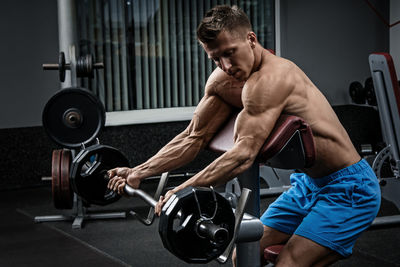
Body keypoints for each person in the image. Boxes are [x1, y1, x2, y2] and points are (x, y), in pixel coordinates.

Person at [108, 5, 380, 266]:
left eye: (230, 53)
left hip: (349, 189)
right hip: (307, 185)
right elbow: (193, 137)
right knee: (246, 255)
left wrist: (182, 190)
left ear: (251, 39)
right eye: (215, 58)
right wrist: (139, 172)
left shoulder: (272, 79)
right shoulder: (222, 81)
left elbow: (242, 155)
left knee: (290, 264)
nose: (226, 65)